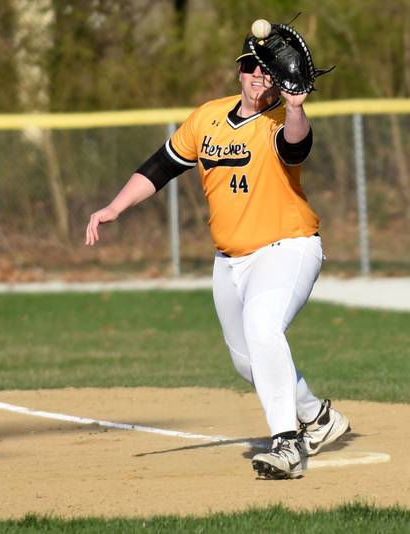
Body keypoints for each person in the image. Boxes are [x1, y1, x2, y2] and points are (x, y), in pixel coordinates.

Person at [85, 29, 350, 480]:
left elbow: (296, 145)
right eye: (251, 65)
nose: (258, 74)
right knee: (247, 359)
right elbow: (161, 167)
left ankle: (287, 444)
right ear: (239, 71)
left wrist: (295, 105)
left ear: (279, 78)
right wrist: (114, 207)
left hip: (288, 246)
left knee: (264, 327)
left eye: (267, 68)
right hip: (229, 260)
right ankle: (318, 417)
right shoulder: (207, 118)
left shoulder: (278, 122)